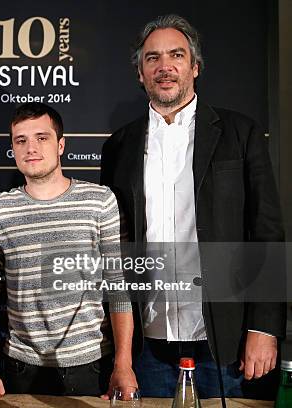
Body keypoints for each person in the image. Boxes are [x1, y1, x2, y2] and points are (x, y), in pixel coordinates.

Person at [100, 14, 286, 398]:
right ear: (140, 73)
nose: (164, 67)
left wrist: (264, 328)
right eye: (152, 58)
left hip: (227, 343)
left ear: (195, 67)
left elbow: (267, 232)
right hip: (146, 345)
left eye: (176, 56)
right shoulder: (119, 146)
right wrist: (119, 352)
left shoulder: (240, 133)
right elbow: (114, 246)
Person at [0, 102, 137, 398]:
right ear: (12, 148)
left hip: (91, 364)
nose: (31, 147)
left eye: (41, 138)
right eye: (21, 140)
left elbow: (118, 286)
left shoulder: (99, 201)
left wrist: (124, 363)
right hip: (20, 367)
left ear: (60, 145)